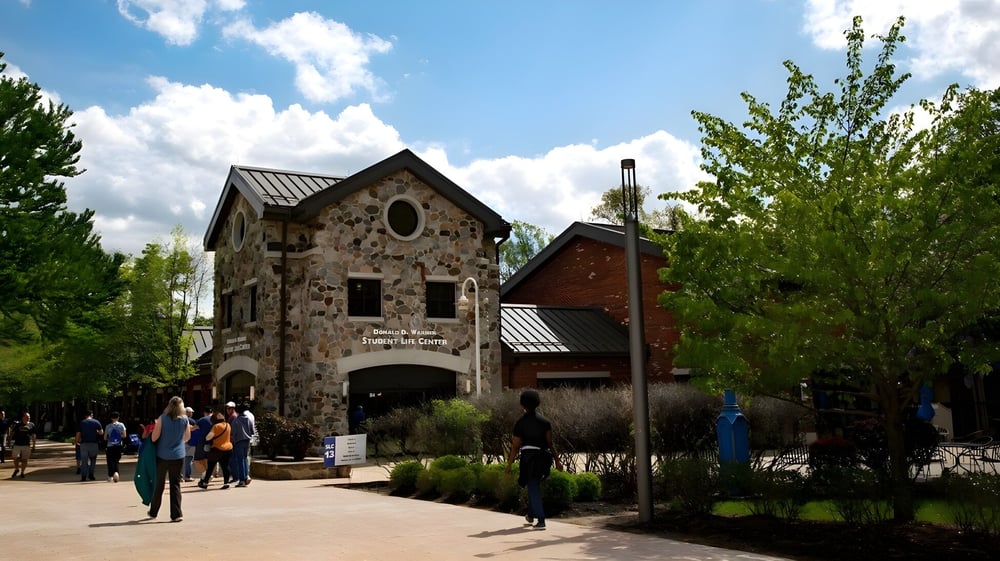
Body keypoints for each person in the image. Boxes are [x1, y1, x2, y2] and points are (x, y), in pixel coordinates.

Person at [505, 389, 563, 530]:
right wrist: (557, 460)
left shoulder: (520, 423)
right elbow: (550, 443)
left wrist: (509, 464)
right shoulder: (545, 422)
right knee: (533, 485)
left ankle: (541, 519)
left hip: (528, 458)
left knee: (533, 486)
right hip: (544, 457)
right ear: (538, 403)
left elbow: (515, 446)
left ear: (522, 404)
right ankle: (531, 514)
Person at [148, 396, 191, 522]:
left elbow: (154, 438)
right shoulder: (185, 419)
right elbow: (187, 437)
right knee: (175, 485)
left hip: (162, 455)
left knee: (159, 484)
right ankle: (176, 514)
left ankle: (154, 511)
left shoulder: (162, 418)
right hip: (178, 456)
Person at [198, 411, 233, 490]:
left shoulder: (216, 426)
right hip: (228, 448)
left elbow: (208, 437)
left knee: (210, 467)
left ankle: (205, 483)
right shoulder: (228, 425)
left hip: (217, 449)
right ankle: (226, 483)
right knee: (225, 466)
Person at [230, 403, 255, 487]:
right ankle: (246, 476)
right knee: (245, 459)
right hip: (247, 440)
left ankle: (242, 480)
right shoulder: (248, 418)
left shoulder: (236, 420)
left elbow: (233, 432)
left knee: (240, 460)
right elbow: (252, 430)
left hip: (239, 441)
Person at [76, 410, 104, 482]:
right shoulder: (96, 422)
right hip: (94, 443)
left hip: (84, 444)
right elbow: (101, 433)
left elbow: (78, 433)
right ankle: (91, 475)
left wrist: (76, 441)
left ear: (85, 415)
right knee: (93, 460)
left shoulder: (82, 422)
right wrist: (97, 432)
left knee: (84, 461)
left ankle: (84, 476)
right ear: (91, 415)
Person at [9, 412, 36, 478]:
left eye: (29, 417)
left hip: (26, 445)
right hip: (17, 444)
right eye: (27, 417)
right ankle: (16, 469)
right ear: (23, 417)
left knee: (24, 459)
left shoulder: (31, 425)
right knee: (15, 457)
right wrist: (9, 440)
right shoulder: (18, 425)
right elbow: (12, 432)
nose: (28, 418)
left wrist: (34, 444)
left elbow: (33, 435)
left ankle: (22, 472)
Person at [104, 412, 127, 482]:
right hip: (118, 445)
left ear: (111, 418)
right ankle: (116, 473)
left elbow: (105, 437)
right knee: (116, 460)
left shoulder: (108, 426)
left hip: (110, 446)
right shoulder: (121, 425)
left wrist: (110, 438)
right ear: (118, 417)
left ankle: (110, 476)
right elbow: (124, 435)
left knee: (110, 461)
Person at [183, 407, 197, 482]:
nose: (191, 414)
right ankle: (187, 476)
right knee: (189, 460)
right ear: (187, 412)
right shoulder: (191, 421)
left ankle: (180, 476)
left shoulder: (179, 420)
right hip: (190, 442)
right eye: (191, 412)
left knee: (181, 460)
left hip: (181, 442)